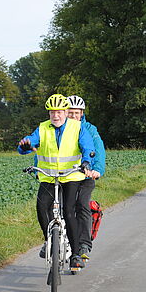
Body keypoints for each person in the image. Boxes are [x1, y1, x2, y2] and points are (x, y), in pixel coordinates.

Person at [18, 94, 95, 269]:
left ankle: (76, 254)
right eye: (52, 112)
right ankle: (50, 241)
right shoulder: (43, 128)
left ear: (66, 112)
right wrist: (25, 146)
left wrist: (86, 162)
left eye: (59, 112)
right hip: (48, 176)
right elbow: (30, 141)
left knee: (69, 212)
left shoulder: (77, 127)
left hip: (71, 176)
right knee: (41, 208)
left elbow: (88, 147)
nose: (56, 115)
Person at [66, 95, 106, 261]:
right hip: (65, 176)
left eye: (77, 113)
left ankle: (84, 244)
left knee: (82, 203)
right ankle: (51, 240)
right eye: (70, 112)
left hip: (85, 175)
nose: (74, 116)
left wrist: (97, 169)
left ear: (82, 113)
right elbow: (47, 150)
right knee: (56, 205)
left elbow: (99, 150)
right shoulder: (58, 128)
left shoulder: (90, 129)